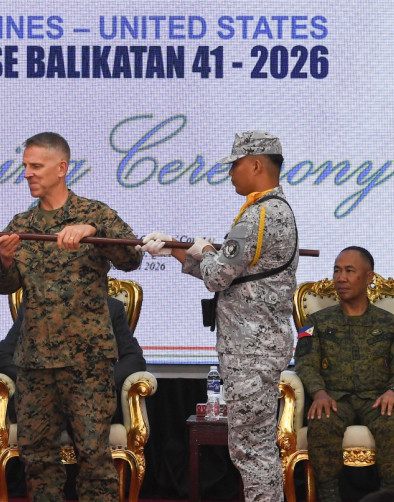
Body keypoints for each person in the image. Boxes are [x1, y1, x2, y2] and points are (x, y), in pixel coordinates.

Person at [141, 131, 298, 502]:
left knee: (251, 451)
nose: (230, 173)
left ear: (256, 164)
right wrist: (178, 253)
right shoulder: (270, 210)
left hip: (251, 350)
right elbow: (232, 274)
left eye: (235, 165)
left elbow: (216, 275)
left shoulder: (260, 214)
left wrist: (206, 248)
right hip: (254, 347)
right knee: (254, 448)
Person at [0, 132, 142, 502]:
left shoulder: (95, 213)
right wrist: (7, 259)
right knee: (37, 460)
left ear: (61, 168)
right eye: (25, 166)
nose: (27, 174)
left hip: (86, 362)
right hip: (35, 362)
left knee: (94, 457)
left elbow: (132, 257)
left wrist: (94, 231)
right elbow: (1, 284)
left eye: (35, 166)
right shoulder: (22, 223)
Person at [294, 247, 394, 501]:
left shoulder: (390, 324)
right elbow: (304, 362)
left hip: (377, 399)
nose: (341, 278)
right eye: (337, 270)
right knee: (321, 423)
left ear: (368, 277)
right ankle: (329, 497)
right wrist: (320, 393)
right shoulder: (317, 322)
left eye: (349, 271)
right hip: (334, 398)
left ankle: (390, 496)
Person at [0, 296, 147, 423]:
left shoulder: (111, 307)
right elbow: (0, 358)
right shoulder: (33, 306)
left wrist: (99, 382)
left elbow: (134, 359)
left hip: (91, 402)